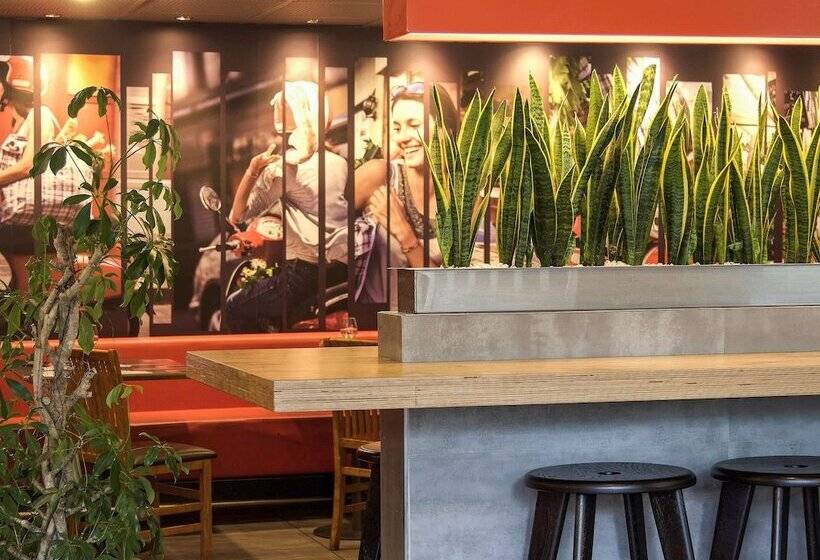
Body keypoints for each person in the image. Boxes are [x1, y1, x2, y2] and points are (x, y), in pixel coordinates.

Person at [224, 81, 348, 332]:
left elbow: (237, 215)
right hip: (340, 269)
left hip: (302, 272)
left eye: (285, 106)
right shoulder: (339, 162)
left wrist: (252, 170)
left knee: (233, 306)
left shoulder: (285, 167)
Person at [352, 83, 459, 302]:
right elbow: (325, 227)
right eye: (397, 128)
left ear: (445, 130)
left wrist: (403, 232)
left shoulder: (462, 201)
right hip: (373, 317)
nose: (402, 137)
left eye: (414, 125)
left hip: (429, 317)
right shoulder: (379, 174)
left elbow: (446, 292)